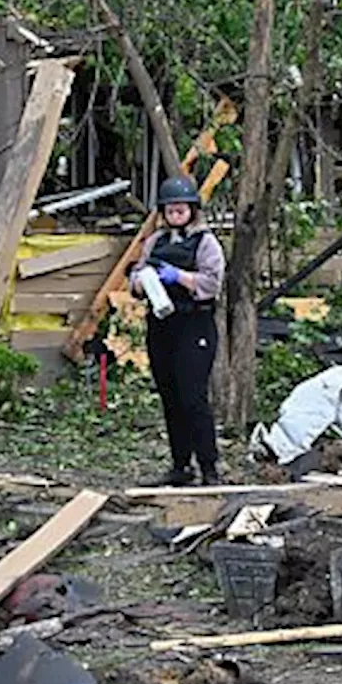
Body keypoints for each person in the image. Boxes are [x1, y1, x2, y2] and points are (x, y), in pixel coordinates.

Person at [130, 174, 225, 486]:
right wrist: (143, 282)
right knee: (170, 396)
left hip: (194, 322)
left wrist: (180, 277)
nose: (174, 216)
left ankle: (209, 466)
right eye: (169, 211)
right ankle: (180, 464)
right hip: (161, 324)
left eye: (180, 211)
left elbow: (211, 284)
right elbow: (136, 274)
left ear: (192, 210)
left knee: (192, 396)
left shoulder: (206, 242)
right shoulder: (155, 241)